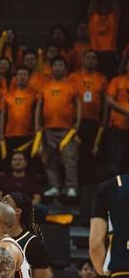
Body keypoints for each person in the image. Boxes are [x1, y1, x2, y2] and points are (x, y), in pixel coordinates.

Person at [36, 56, 81, 198]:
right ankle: (54, 185)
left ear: (65, 68)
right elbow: (39, 106)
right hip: (48, 128)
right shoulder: (45, 86)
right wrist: (37, 124)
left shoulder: (71, 86)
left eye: (60, 65)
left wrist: (77, 124)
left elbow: (78, 105)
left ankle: (71, 186)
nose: (57, 68)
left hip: (67, 129)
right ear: (51, 68)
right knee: (50, 159)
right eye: (55, 65)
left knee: (69, 158)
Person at [68, 50, 108, 184]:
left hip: (93, 121)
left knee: (91, 151)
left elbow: (105, 101)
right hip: (76, 120)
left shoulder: (101, 78)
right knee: (75, 151)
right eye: (88, 57)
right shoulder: (73, 77)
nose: (91, 60)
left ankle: (89, 183)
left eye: (93, 58)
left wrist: (105, 118)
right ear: (82, 60)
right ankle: (75, 182)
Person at [0, 65, 38, 152]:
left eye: (25, 75)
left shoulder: (35, 94)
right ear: (16, 77)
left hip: (28, 134)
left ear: (29, 78)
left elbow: (37, 114)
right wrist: (1, 134)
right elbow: (3, 115)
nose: (22, 77)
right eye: (20, 74)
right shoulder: (8, 94)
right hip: (10, 133)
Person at [104, 58, 128, 177]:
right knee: (114, 162)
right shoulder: (117, 81)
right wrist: (127, 112)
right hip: (117, 127)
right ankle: (116, 186)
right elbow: (109, 100)